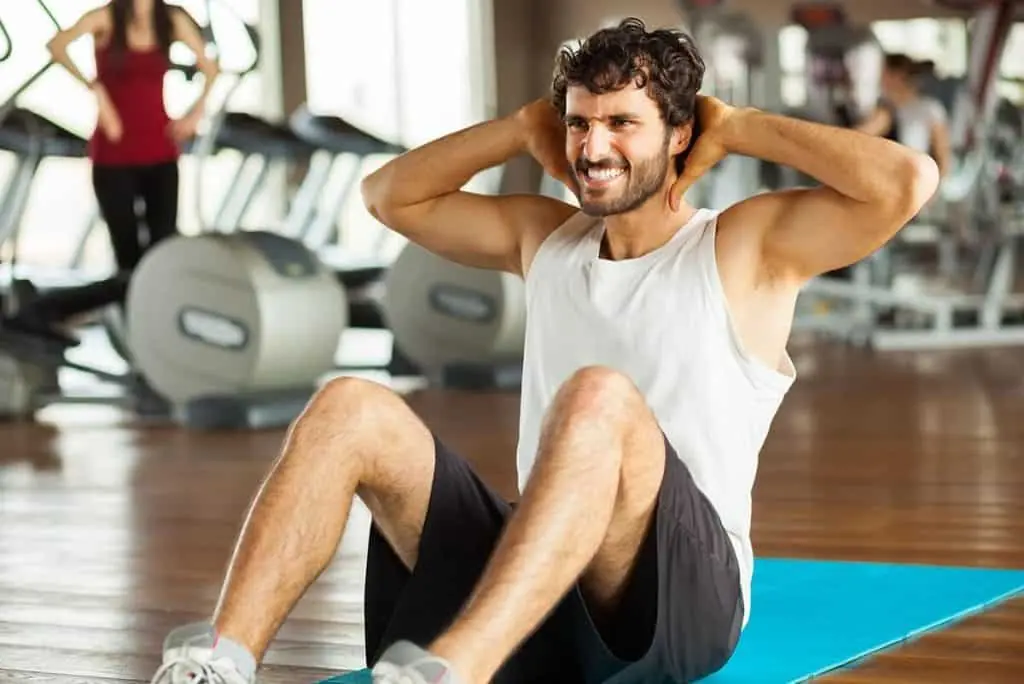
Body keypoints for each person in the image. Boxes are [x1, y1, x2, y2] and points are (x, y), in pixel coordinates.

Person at [148, 18, 939, 684]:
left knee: (600, 394)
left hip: (682, 597)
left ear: (680, 132)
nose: (593, 146)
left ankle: (453, 671)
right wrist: (519, 128)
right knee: (349, 406)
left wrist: (740, 127)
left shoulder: (743, 246)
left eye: (622, 123)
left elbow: (906, 181)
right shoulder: (547, 238)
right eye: (579, 123)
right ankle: (222, 660)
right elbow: (389, 196)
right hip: (543, 580)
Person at [3, 0, 219, 340]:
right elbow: (57, 45)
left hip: (160, 150)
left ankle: (51, 311)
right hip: (113, 156)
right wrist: (97, 90)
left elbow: (211, 67)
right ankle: (69, 316)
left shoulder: (171, 20)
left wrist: (195, 112)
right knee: (129, 263)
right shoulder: (105, 18)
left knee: (162, 255)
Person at [857, 53, 952, 178]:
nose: (880, 79)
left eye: (884, 73)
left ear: (897, 76)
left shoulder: (930, 109)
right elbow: (858, 139)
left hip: (910, 177)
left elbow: (943, 159)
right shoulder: (881, 108)